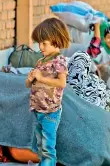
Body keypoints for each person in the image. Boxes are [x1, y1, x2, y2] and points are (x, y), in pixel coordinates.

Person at [25, 17, 70, 166]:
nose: (40, 47)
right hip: (38, 109)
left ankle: (48, 163)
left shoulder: (59, 61)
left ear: (56, 40)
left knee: (48, 146)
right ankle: (42, 163)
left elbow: (62, 83)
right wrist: (31, 78)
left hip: (51, 111)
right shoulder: (41, 61)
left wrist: (41, 78)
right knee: (39, 143)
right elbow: (27, 85)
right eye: (39, 43)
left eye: (44, 43)